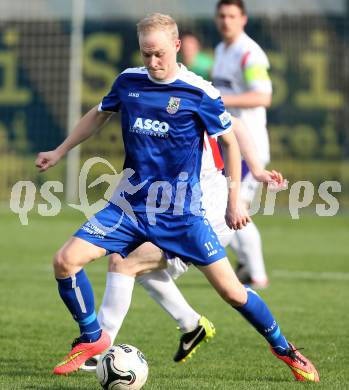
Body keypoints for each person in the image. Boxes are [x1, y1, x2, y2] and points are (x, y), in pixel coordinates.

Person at [35, 13, 319, 382]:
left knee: (233, 292)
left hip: (182, 214)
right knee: (65, 261)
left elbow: (232, 139)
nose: (152, 62)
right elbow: (100, 113)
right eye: (146, 53)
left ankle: (285, 348)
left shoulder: (199, 91)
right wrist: (60, 150)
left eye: (159, 54)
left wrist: (236, 198)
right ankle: (93, 338)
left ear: (177, 46)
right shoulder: (129, 82)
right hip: (131, 206)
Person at [81, 122, 284, 371]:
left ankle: (100, 346)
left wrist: (255, 170)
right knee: (133, 265)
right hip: (180, 211)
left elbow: (237, 127)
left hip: (207, 215)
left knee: (125, 262)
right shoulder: (155, 98)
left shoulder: (190, 94)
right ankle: (190, 324)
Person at [212, 0, 273, 288]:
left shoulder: (249, 53)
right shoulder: (222, 50)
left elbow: (263, 97)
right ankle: (251, 270)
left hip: (249, 147)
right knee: (225, 205)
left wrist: (219, 100)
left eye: (232, 16)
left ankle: (257, 274)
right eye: (222, 15)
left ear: (243, 19)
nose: (226, 21)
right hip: (228, 143)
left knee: (235, 206)